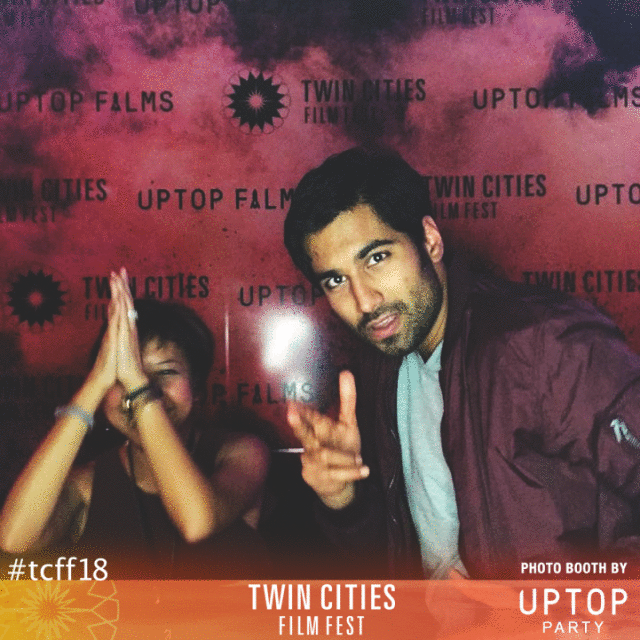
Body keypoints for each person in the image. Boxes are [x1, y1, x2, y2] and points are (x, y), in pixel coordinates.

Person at [283, 146, 640, 579]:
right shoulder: (381, 370)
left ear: (429, 240)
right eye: (336, 280)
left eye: (377, 258)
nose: (365, 301)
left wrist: (549, 609)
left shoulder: (544, 345)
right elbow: (402, 556)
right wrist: (344, 501)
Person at [0, 268, 270, 578]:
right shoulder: (88, 484)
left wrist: (136, 383)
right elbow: (14, 540)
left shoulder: (242, 453)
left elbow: (197, 522)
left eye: (166, 372)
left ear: (197, 388)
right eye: (122, 377)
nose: (143, 387)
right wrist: (97, 381)